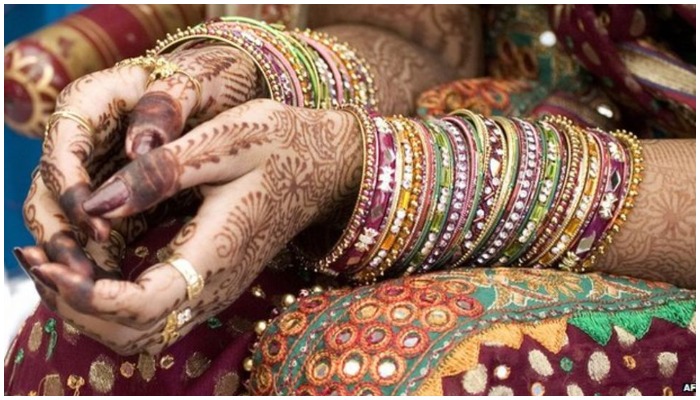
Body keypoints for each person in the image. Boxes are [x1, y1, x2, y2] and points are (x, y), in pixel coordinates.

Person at [5, 5, 696, 395]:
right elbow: (414, 39)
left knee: (386, 363)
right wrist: (229, 80)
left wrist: (365, 170)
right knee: (151, 253)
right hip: (478, 114)